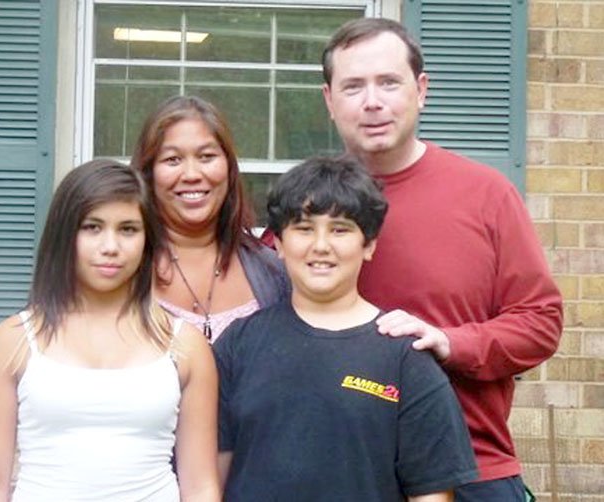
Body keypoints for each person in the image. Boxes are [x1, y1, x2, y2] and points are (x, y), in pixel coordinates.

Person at [321, 17, 563, 501]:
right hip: (341, 469)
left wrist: (452, 343)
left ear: (421, 90)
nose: (372, 102)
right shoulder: (310, 208)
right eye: (353, 86)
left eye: (389, 82)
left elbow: (540, 322)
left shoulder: (485, 195)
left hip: (469, 468)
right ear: (329, 100)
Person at [215, 155, 478, 501]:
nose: (321, 245)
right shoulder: (239, 345)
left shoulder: (405, 358)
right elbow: (212, 474)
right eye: (304, 228)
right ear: (278, 243)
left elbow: (431, 492)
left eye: (340, 229)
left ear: (368, 245)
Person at [0, 159, 220, 501]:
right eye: (92, 227)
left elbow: (201, 486)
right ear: (64, 233)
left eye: (128, 229)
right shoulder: (12, 341)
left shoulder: (186, 346)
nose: (110, 246)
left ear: (148, 239)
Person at [131, 96, 289, 343]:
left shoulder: (275, 273)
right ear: (148, 173)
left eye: (206, 157)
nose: (192, 174)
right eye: (172, 159)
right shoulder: (121, 269)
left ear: (229, 167)